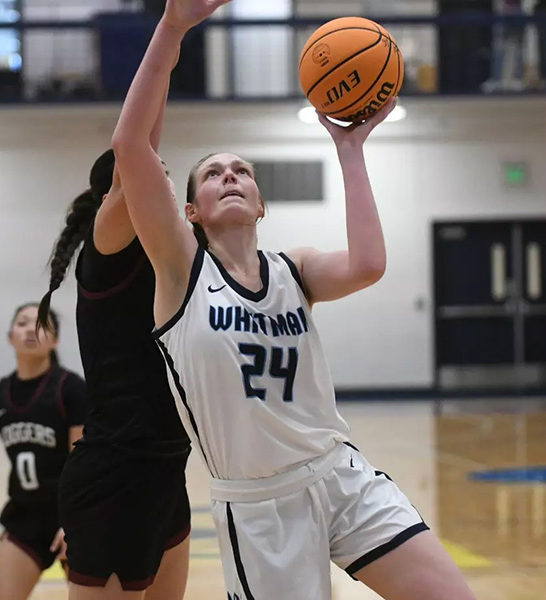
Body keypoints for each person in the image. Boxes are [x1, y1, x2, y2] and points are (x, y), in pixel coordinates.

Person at [111, 1, 479, 599]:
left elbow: (368, 264)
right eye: (213, 175)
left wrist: (351, 151)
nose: (230, 176)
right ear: (191, 211)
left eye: (242, 172)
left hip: (338, 474)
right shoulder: (180, 270)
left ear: (260, 204)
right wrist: (172, 27)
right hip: (260, 507)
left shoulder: (293, 270)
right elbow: (129, 145)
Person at [35, 144, 191, 596]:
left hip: (166, 468)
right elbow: (134, 142)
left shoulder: (171, 255)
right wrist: (160, 68)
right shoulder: (107, 251)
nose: (165, 180)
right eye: (152, 172)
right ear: (117, 198)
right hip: (115, 476)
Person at [0, 303, 87, 600]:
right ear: (10, 336)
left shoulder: (71, 389)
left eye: (42, 324)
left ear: (55, 340)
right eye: (22, 323)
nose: (31, 329)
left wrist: (74, 523)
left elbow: (81, 462)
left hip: (71, 511)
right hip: (25, 514)